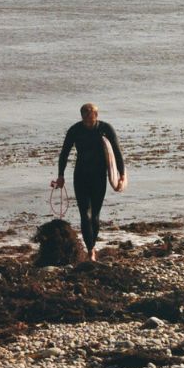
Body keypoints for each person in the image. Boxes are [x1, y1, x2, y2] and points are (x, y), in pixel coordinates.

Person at [54, 103, 125, 261]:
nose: (87, 123)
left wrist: (122, 175)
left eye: (90, 120)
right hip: (81, 176)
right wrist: (60, 175)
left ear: (96, 116)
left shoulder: (105, 129)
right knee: (84, 214)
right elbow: (64, 153)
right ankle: (91, 250)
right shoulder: (75, 130)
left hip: (99, 176)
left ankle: (92, 245)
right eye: (85, 120)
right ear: (81, 117)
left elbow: (117, 152)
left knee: (95, 216)